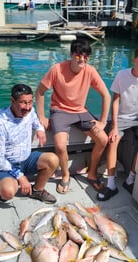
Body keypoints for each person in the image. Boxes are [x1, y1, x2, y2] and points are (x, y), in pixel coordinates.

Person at [35, 39, 111, 194]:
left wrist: (103, 121)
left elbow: (106, 95)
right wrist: (41, 116)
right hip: (60, 111)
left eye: (86, 57)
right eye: (78, 56)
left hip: (80, 111)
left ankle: (92, 174)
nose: (82, 60)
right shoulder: (57, 69)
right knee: (60, 145)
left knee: (103, 139)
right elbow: (40, 91)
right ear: (71, 55)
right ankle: (65, 175)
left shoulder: (90, 71)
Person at [97, 43, 138, 201]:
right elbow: (115, 101)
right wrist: (114, 127)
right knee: (113, 141)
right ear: (134, 60)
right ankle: (111, 184)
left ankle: (130, 179)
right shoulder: (122, 74)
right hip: (121, 117)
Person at [0, 84, 59, 204]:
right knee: (7, 192)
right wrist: (20, 176)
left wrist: (40, 129)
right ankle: (3, 183)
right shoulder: (1, 122)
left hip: (26, 159)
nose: (27, 107)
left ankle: (37, 190)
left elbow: (35, 121)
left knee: (53, 159)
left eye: (30, 102)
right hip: (7, 165)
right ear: (12, 100)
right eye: (23, 103)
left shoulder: (30, 111)